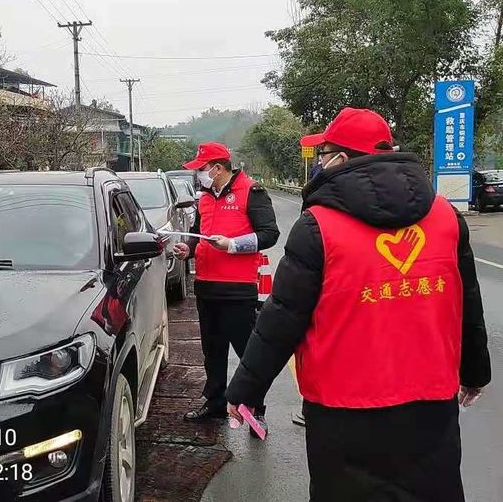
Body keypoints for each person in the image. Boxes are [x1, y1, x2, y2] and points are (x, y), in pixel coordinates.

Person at [226, 107, 491, 501]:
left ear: (341, 158)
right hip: (430, 404)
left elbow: (282, 319)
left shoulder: (318, 226)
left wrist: (245, 388)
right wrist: (475, 372)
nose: (320, 163)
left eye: (323, 154)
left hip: (342, 411)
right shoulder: (445, 217)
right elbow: (467, 302)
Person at [173, 142, 279, 436]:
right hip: (206, 286)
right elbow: (199, 233)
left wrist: (233, 245)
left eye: (201, 169)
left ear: (217, 168)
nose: (198, 175)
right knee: (212, 351)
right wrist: (189, 249)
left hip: (237, 289)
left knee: (248, 354)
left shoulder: (252, 192)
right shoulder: (205, 198)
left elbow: (269, 234)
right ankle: (216, 402)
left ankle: (256, 409)